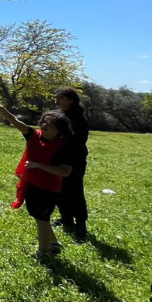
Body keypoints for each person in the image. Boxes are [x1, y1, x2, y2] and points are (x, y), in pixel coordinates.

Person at [0, 98, 75, 259]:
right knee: (38, 215)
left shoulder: (64, 146)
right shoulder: (33, 135)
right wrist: (2, 110)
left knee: (42, 218)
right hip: (32, 184)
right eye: (44, 121)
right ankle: (54, 244)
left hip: (48, 188)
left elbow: (65, 172)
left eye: (50, 122)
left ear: (59, 128)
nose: (45, 124)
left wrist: (38, 165)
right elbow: (16, 121)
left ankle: (43, 253)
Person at [54, 87, 90, 239]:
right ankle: (66, 218)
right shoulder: (59, 114)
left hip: (74, 159)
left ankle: (81, 223)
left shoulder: (77, 117)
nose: (57, 101)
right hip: (59, 158)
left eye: (61, 98)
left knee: (75, 191)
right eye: (57, 98)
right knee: (60, 190)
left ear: (71, 100)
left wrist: (63, 143)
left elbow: (79, 140)